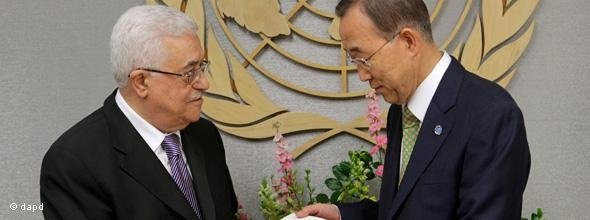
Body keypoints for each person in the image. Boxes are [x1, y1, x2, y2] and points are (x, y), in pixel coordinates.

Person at [297, 0, 531, 219]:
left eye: (364, 59)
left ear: (408, 41)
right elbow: (406, 208)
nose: (362, 75)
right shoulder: (402, 111)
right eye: (355, 62)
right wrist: (341, 215)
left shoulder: (491, 116)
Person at [40, 5, 237, 220]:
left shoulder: (204, 134)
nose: (204, 83)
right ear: (141, 82)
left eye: (202, 66)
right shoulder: (75, 163)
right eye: (189, 73)